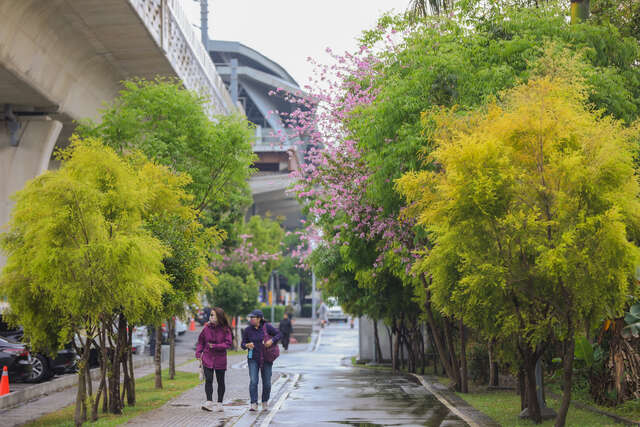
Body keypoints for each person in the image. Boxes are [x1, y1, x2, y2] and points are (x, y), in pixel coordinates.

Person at [241, 309, 281, 412]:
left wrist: (271, 340)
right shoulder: (247, 330)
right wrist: (247, 345)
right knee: (253, 381)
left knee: (267, 383)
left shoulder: (267, 327)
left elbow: (279, 334)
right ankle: (253, 403)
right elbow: (242, 344)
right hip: (253, 358)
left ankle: (264, 401)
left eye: (253, 317)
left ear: (259, 318)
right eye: (250, 317)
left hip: (266, 358)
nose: (251, 319)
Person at [195, 307, 233, 412]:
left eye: (213, 315)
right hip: (207, 357)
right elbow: (201, 342)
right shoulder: (206, 328)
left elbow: (228, 344)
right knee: (208, 379)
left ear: (219, 317)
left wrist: (216, 346)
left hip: (220, 359)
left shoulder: (225, 329)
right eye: (210, 315)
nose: (210, 317)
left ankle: (220, 403)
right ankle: (209, 402)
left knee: (221, 381)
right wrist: (198, 353)